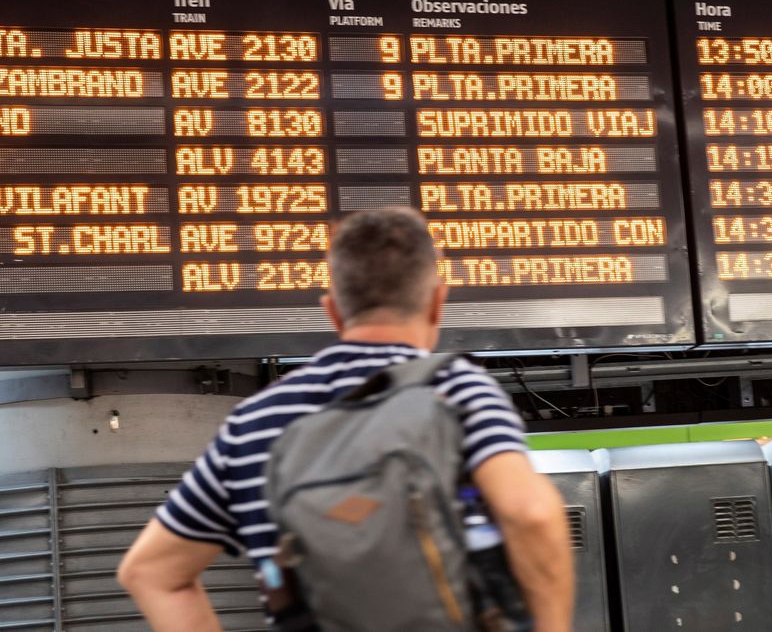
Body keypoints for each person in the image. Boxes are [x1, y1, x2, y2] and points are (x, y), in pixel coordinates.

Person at [119, 207, 574, 631]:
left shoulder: (254, 420)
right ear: (437, 302)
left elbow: (150, 573)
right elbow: (530, 514)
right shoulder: (458, 389)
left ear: (332, 310)